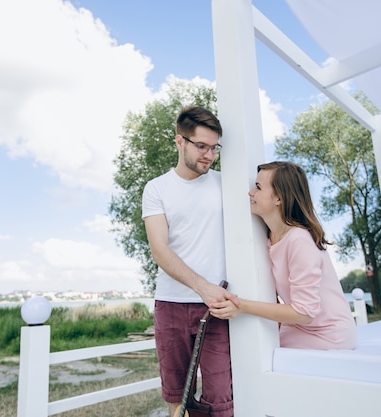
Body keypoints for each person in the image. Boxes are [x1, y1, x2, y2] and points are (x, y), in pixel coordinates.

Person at [142, 106, 236, 417]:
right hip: (171, 304)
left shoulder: (228, 184)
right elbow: (160, 250)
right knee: (178, 401)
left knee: (222, 401)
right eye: (201, 146)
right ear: (179, 142)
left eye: (214, 147)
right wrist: (202, 287)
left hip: (218, 306)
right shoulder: (156, 189)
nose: (209, 155)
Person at [210, 161, 356, 350]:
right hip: (297, 328)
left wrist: (242, 306)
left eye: (258, 187)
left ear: (279, 198)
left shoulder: (299, 240)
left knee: (254, 354)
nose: (251, 192)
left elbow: (304, 312)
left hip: (328, 334)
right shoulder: (270, 236)